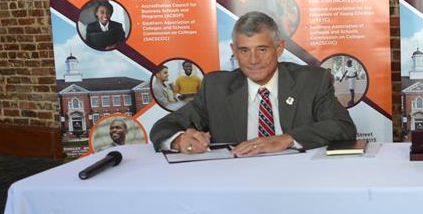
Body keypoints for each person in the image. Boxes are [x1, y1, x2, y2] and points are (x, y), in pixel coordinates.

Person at [150, 11, 356, 156]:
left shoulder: (311, 81)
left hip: (298, 180)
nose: (253, 60)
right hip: (236, 184)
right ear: (233, 50)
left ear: (279, 48)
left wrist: (286, 139)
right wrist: (178, 140)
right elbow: (164, 127)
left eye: (262, 49)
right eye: (244, 51)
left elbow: (343, 127)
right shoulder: (216, 87)